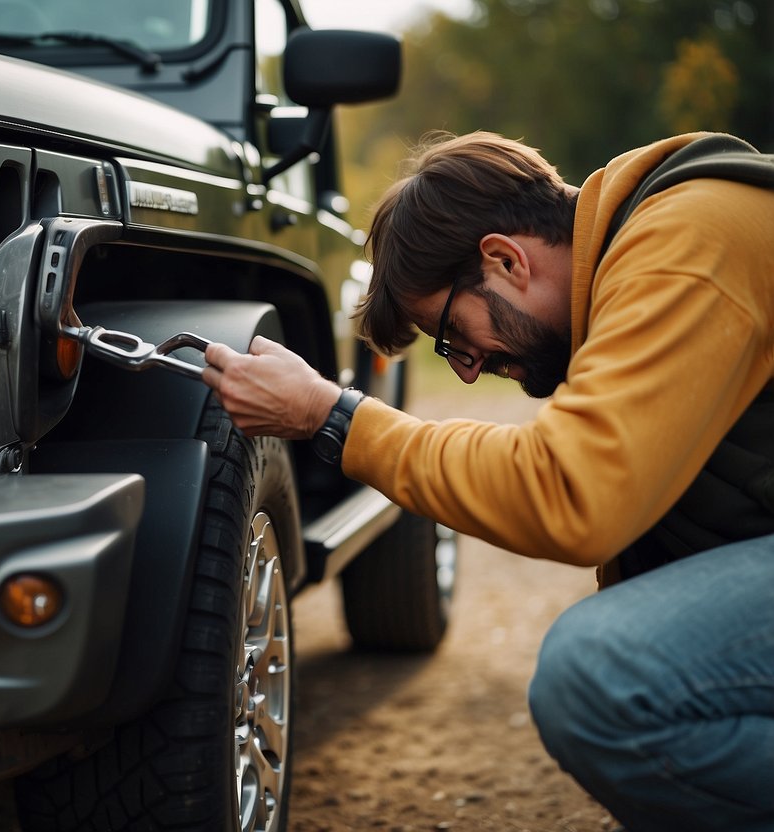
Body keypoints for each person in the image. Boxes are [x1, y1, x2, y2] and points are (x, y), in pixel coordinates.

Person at [200, 131, 774, 832]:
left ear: (504, 259)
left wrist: (334, 417)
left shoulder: (686, 240)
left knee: (601, 676)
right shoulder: (657, 244)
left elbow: (572, 493)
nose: (465, 368)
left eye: (451, 336)